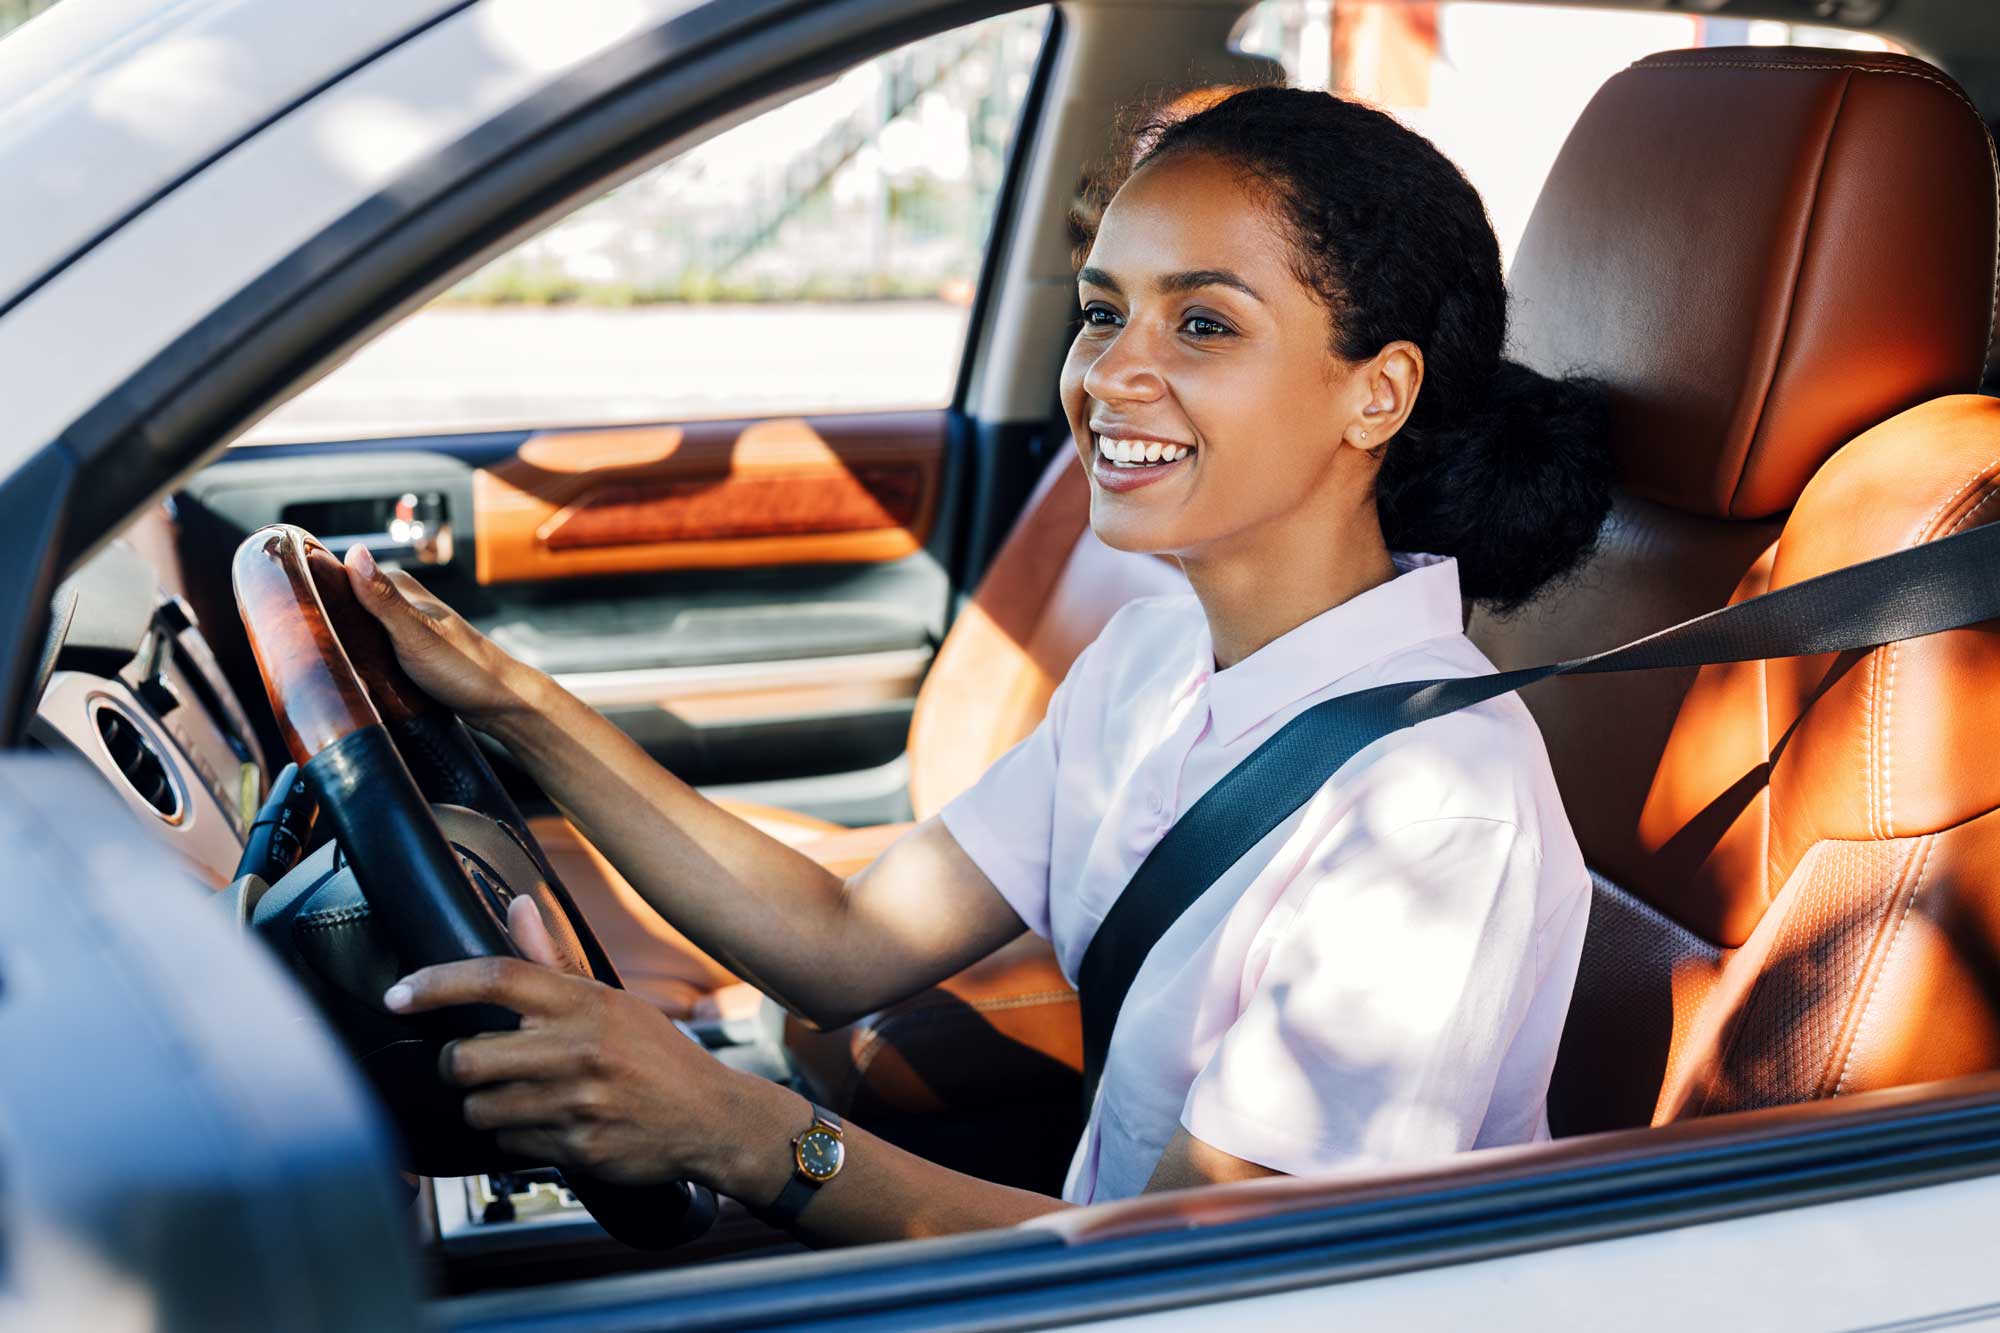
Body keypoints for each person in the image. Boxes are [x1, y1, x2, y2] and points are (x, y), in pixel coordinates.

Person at [356, 84, 1612, 1246]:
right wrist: (505, 697)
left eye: (1203, 322)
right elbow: (842, 940)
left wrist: (735, 1127)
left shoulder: (1433, 803)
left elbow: (1202, 1275)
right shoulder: (1153, 656)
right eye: (1103, 310)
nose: (1110, 374)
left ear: (1377, 395)